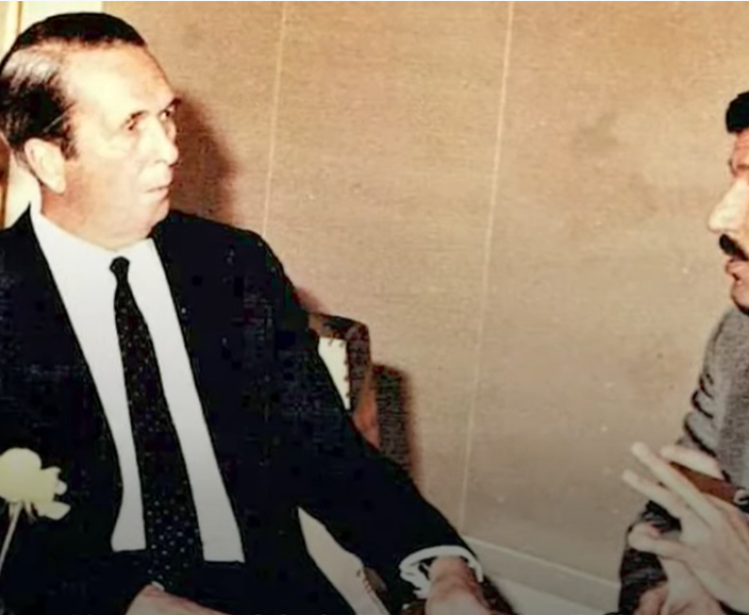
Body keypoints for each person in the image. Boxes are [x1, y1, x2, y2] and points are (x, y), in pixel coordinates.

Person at [0, 12, 496, 615]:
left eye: (165, 114)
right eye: (131, 125)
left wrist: (442, 568)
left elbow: (327, 454)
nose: (169, 148)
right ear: (49, 160)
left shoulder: (234, 266)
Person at [618, 90, 749, 615]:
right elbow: (670, 508)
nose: (720, 219)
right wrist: (669, 591)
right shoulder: (737, 337)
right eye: (736, 177)